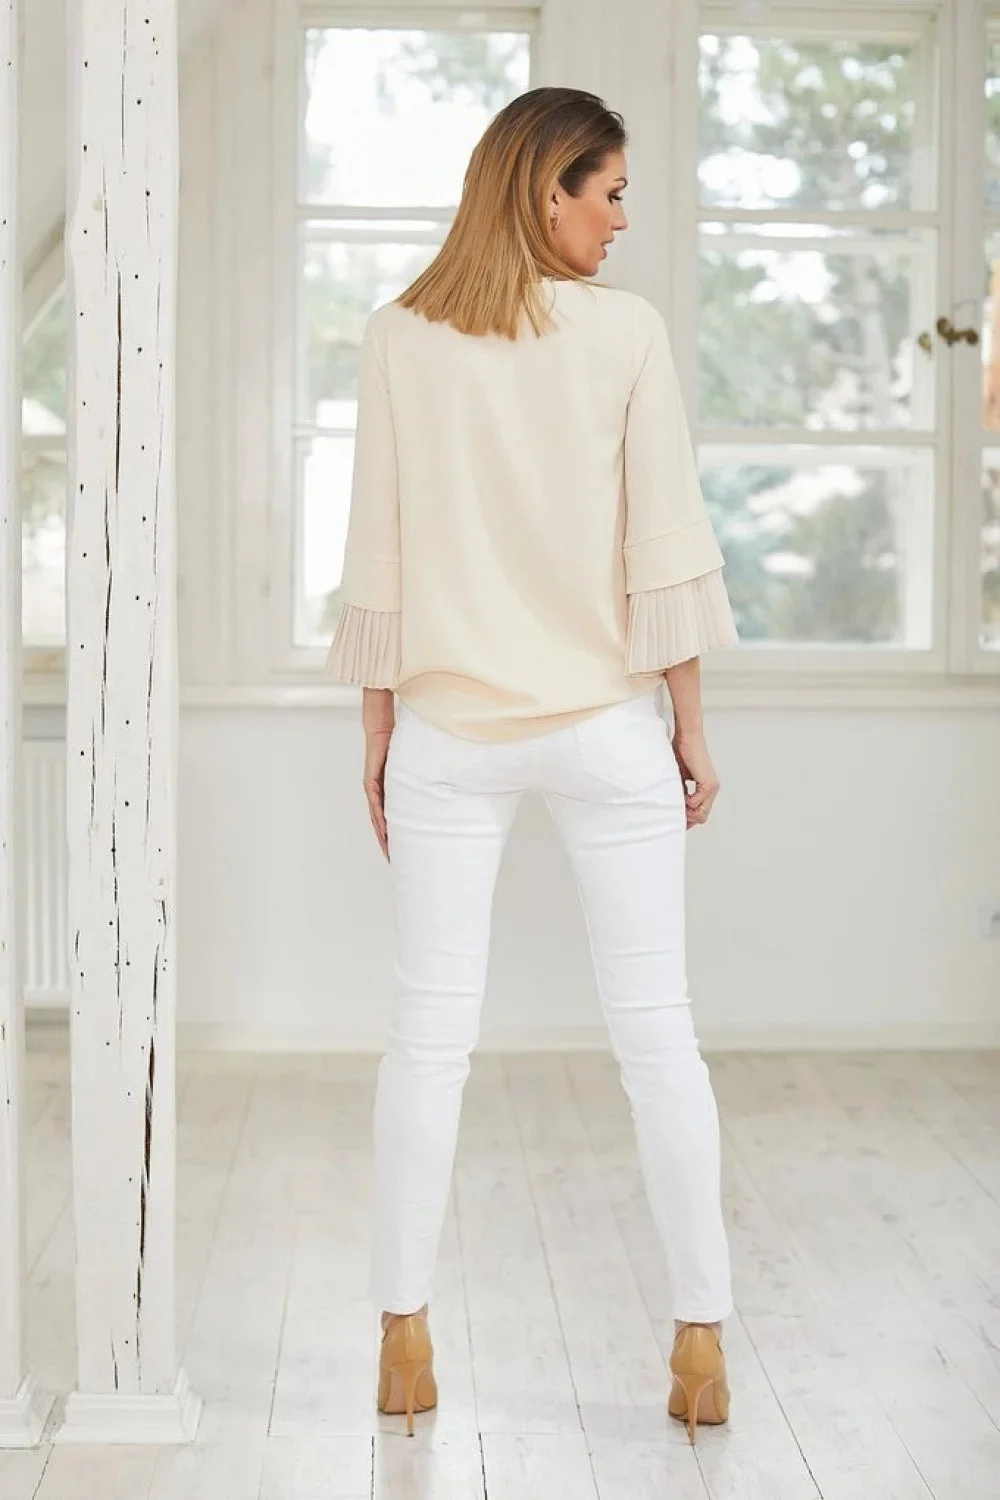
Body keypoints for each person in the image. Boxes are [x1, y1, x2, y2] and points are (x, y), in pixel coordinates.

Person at [324, 85, 737, 1445]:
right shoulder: (625, 334)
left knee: (427, 1039)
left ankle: (402, 1336)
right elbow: (662, 542)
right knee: (657, 1036)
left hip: (448, 732)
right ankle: (700, 1342)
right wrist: (688, 721)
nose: (620, 223)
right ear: (548, 187)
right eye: (608, 194)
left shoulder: (401, 334)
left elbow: (377, 545)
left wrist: (377, 730)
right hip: (607, 726)